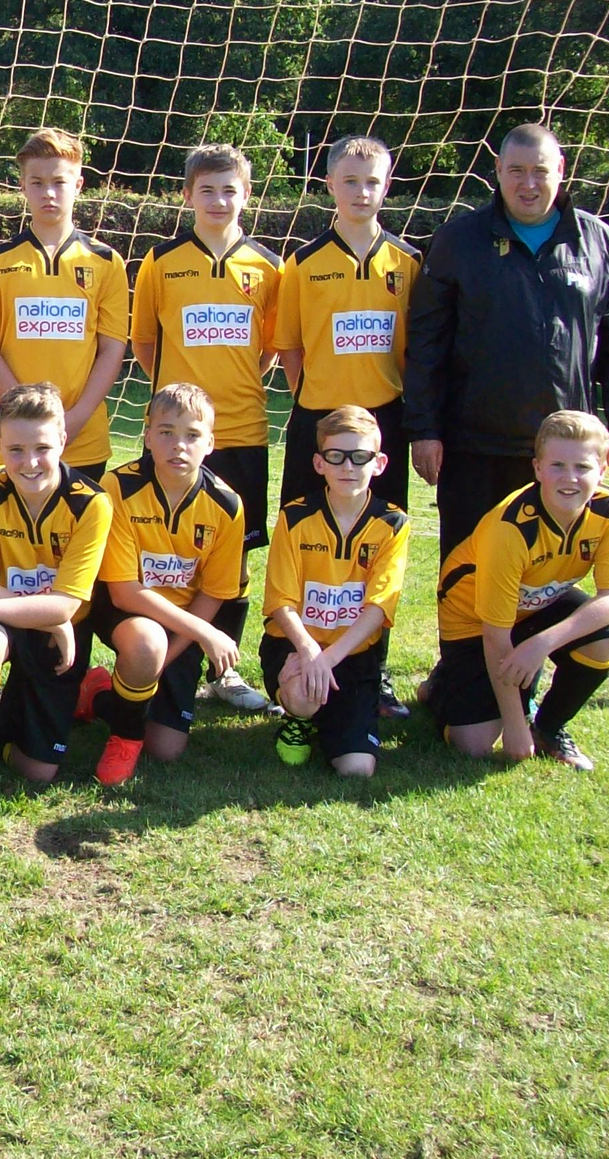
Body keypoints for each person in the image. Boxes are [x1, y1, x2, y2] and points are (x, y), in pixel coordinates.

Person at [404, 123, 609, 560]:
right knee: (468, 575)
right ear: (497, 171)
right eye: (516, 170)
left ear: (561, 169)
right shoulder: (459, 240)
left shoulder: (597, 243)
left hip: (563, 452)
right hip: (474, 448)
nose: (529, 183)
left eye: (540, 170)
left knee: (547, 578)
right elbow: (426, 342)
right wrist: (424, 430)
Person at [130, 143, 281, 712]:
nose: (219, 200)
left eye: (230, 189)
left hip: (241, 429)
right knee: (162, 544)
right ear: (188, 195)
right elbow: (144, 341)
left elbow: (267, 349)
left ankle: (225, 668)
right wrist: (180, 405)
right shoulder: (162, 261)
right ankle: (159, 651)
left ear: (246, 195)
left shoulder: (268, 267)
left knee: (233, 552)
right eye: (208, 190)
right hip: (174, 432)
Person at [272, 135, 419, 719]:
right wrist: (321, 408)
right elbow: (290, 350)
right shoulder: (303, 264)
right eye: (351, 181)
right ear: (330, 185)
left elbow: (410, 354)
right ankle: (293, 661)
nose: (363, 192)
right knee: (306, 545)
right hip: (319, 422)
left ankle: (370, 673)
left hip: (384, 425)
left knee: (377, 550)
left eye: (374, 181)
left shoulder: (407, 264)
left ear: (387, 186)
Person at [419, 410, 609, 771]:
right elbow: (495, 636)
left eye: (582, 467)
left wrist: (542, 643)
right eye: (557, 466)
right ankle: (441, 686)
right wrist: (515, 731)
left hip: (536, 603)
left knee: (604, 640)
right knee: (475, 744)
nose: (570, 478)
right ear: (536, 469)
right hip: (473, 620)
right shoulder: (511, 528)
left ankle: (549, 726)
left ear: (602, 469)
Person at [0, 382, 113, 816]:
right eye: (15, 449)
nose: (30, 462)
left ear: (63, 439)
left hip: (60, 637)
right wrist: (47, 612)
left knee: (38, 770)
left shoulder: (92, 504)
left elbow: (64, 607)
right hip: (14, 626)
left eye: (41, 447)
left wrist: (53, 616)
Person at [76, 384, 246, 785]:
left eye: (192, 435)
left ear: (210, 443)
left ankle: (100, 694)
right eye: (166, 432)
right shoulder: (119, 487)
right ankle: (124, 735)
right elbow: (122, 590)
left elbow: (215, 592)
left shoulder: (227, 505)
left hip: (184, 623)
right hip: (127, 610)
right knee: (146, 643)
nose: (178, 446)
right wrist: (202, 633)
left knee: (167, 749)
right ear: (147, 436)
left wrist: (169, 656)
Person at [0, 127, 128, 480]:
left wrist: (74, 420)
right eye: (37, 183)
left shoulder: (106, 261)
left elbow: (112, 348)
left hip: (81, 437)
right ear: (23, 186)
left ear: (78, 185)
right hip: (10, 440)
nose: (48, 193)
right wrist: (25, 419)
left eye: (59, 182)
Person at [260, 406, 410, 778]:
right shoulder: (294, 517)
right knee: (303, 696)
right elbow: (281, 601)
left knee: (357, 768)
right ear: (318, 462)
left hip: (352, 653)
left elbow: (379, 606)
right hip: (296, 646)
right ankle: (299, 716)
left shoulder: (392, 523)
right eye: (336, 456)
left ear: (379, 463)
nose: (348, 466)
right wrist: (310, 651)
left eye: (360, 457)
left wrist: (329, 659)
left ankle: (331, 715)